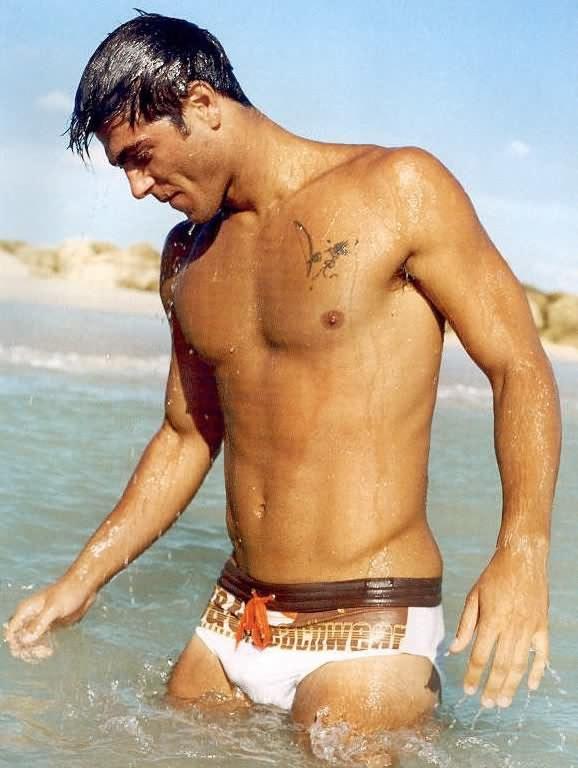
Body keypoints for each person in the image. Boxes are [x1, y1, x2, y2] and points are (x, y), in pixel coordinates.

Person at [5, 11, 560, 735]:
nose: (138, 187)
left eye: (142, 155)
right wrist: (79, 582)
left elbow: (519, 365)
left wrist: (522, 549)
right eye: (124, 168)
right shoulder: (186, 256)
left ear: (202, 103)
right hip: (240, 616)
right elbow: (185, 435)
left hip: (368, 622)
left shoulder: (400, 189)